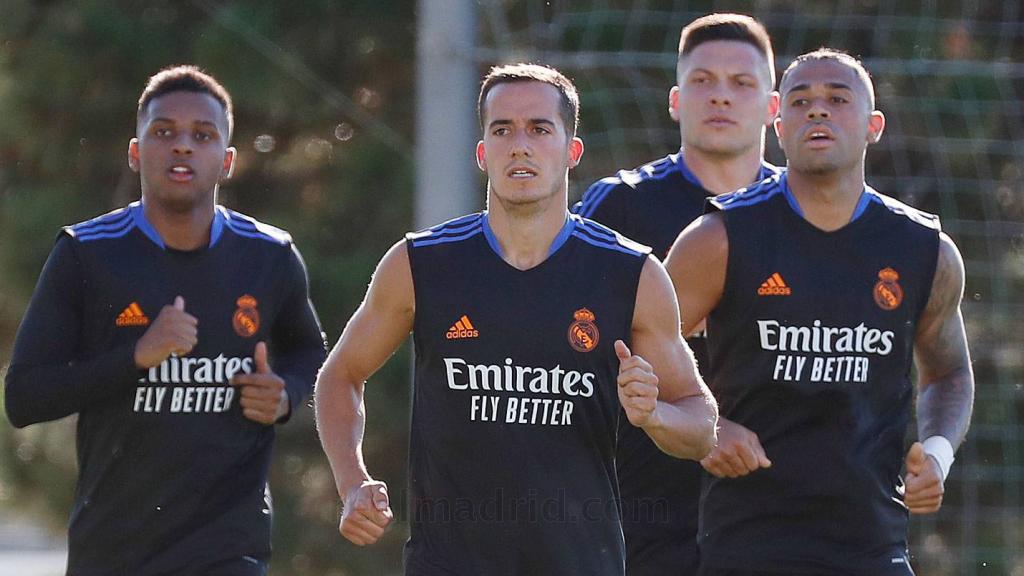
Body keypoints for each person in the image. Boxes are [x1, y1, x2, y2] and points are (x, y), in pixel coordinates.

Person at [315, 63, 718, 575]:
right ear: (483, 153)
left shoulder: (631, 273)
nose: (519, 145)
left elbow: (701, 426)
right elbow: (341, 375)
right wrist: (352, 482)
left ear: (572, 151)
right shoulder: (420, 264)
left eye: (539, 129)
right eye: (502, 130)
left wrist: (653, 415)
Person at [4, 65, 327, 575]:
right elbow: (24, 398)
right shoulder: (86, 254)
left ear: (227, 161)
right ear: (135, 153)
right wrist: (136, 357)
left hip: (228, 548)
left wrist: (284, 392)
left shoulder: (270, 254)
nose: (182, 147)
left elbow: (312, 353)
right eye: (163, 132)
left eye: (202, 136)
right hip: (115, 551)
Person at [665, 49, 974, 575]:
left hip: (874, 546)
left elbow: (949, 372)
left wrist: (939, 453)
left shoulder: (925, 250)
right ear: (778, 125)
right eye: (801, 100)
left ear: (874, 126)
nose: (817, 111)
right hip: (747, 545)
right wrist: (708, 426)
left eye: (837, 98)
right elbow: (640, 350)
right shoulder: (719, 238)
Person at [572, 14, 779, 575]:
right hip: (642, 509)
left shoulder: (805, 215)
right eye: (702, 81)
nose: (720, 97)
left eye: (742, 84)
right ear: (674, 100)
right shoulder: (617, 207)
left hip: (781, 509)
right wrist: (693, 426)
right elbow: (568, 344)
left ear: (772, 108)